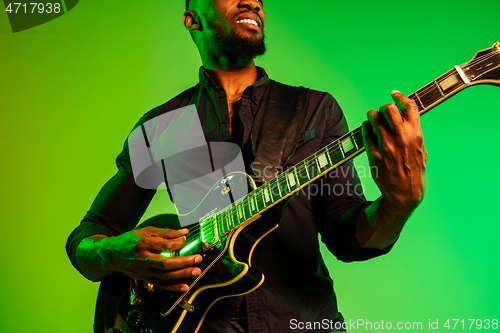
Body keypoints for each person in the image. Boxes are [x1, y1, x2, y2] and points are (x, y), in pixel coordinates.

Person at [66, 0, 427, 332]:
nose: (253, 1)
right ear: (192, 19)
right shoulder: (162, 126)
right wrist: (114, 253)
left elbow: (348, 241)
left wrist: (396, 205)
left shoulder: (313, 109)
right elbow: (90, 234)